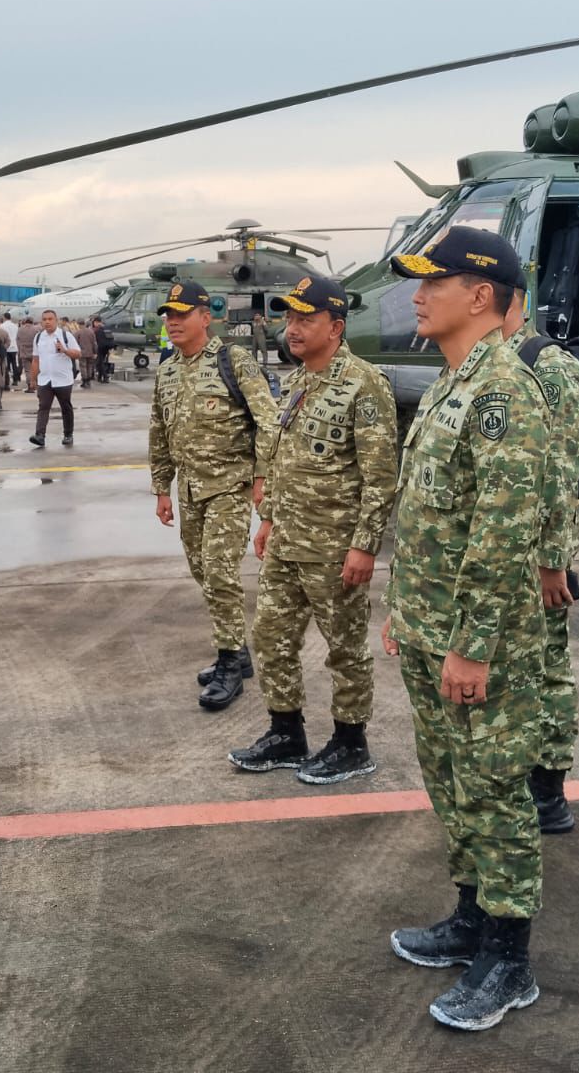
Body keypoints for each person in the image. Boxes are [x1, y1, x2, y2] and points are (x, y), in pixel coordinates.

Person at [381, 227, 548, 1032]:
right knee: (450, 779)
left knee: (493, 788)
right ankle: (473, 915)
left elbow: (504, 530)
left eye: (431, 281)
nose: (417, 294)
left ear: (479, 295)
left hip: (475, 639)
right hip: (429, 625)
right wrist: (406, 615)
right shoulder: (454, 384)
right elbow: (428, 522)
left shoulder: (501, 393)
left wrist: (471, 643)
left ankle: (509, 956)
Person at [231, 276, 396, 782]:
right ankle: (287, 733)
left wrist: (365, 545)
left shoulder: (364, 384)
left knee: (343, 647)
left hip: (334, 547)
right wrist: (270, 519)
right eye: (290, 318)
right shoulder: (301, 379)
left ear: (337, 326)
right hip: (287, 541)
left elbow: (380, 475)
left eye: (306, 319)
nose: (293, 328)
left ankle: (351, 742)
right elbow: (283, 457)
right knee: (271, 636)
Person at [149, 281, 276, 708]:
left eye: (182, 314)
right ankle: (237, 651)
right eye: (169, 314)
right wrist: (161, 488)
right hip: (188, 489)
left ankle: (227, 663)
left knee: (221, 573)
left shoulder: (233, 361)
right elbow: (159, 432)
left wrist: (262, 479)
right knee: (203, 572)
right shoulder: (167, 370)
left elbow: (268, 423)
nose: (173, 321)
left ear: (206, 317)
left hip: (229, 486)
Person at [501, 286, 579, 834]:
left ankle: (548, 790)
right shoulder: (487, 363)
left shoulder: (549, 367)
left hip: (538, 557)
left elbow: (560, 469)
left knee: (547, 669)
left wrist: (552, 559)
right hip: (500, 551)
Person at [29, 309, 81, 447]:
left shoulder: (66, 335)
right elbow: (35, 359)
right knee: (43, 406)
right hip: (45, 379)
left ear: (56, 320)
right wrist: (33, 379)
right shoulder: (38, 337)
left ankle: (68, 434)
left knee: (66, 407)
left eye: (50, 319)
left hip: (63, 379)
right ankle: (40, 435)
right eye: (44, 319)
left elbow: (77, 354)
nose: (47, 322)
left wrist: (64, 350)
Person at [76, 318, 98, 388]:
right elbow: (94, 343)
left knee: (83, 367)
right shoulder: (91, 332)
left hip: (82, 352)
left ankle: (84, 381)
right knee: (89, 366)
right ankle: (88, 381)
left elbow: (75, 343)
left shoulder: (78, 333)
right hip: (90, 352)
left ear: (79, 324)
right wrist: (95, 352)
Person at [0, 313, 19, 387]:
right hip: (14, 346)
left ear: (4, 317)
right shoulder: (15, 326)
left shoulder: (2, 326)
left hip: (6, 347)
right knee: (14, 364)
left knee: (6, 365)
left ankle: (7, 381)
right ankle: (15, 380)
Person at [93, 317, 114, 382]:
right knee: (101, 362)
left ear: (96, 322)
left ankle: (105, 377)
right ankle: (100, 377)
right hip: (107, 347)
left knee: (100, 363)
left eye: (94, 323)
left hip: (100, 348)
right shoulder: (106, 328)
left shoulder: (98, 330)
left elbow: (96, 340)